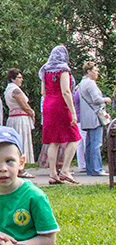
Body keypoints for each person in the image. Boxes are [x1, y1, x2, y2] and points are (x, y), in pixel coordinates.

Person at [39, 45, 81, 185]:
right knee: (74, 137)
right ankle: (65, 170)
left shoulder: (45, 70)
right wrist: (73, 111)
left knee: (53, 141)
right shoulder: (63, 69)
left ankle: (53, 174)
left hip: (48, 104)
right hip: (60, 105)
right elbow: (66, 91)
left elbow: (43, 92)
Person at [78, 61, 111, 177]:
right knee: (96, 144)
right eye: (95, 70)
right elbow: (96, 99)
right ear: (89, 71)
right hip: (95, 117)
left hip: (87, 117)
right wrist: (106, 99)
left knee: (89, 144)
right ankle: (97, 169)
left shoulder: (82, 83)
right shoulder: (90, 83)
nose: (97, 73)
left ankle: (90, 168)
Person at [4, 69, 36, 178]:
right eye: (19, 77)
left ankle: (17, 167)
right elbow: (23, 104)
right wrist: (31, 112)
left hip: (14, 118)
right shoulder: (15, 90)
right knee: (21, 142)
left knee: (17, 143)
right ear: (13, 78)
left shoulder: (8, 89)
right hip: (19, 119)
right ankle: (20, 169)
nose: (21, 79)